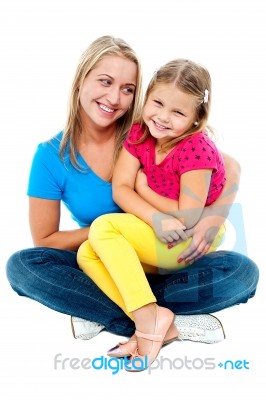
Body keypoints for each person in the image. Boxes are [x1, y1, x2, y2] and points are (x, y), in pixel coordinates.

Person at [5, 36, 259, 357]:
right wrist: (113, 233)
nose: (114, 97)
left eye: (128, 89)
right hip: (108, 263)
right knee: (24, 266)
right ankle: (163, 321)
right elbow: (45, 240)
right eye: (105, 82)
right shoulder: (50, 156)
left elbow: (230, 166)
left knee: (241, 271)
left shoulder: (147, 130)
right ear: (81, 79)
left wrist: (214, 215)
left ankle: (115, 312)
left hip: (167, 256)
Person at [76, 59, 227, 370]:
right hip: (157, 226)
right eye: (157, 103)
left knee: (102, 228)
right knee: (87, 253)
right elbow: (120, 188)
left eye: (178, 112)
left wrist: (143, 189)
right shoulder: (139, 135)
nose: (162, 117)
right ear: (146, 99)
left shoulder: (196, 149)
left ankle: (147, 324)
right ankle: (154, 318)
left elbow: (188, 215)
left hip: (189, 237)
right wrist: (154, 215)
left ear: (197, 118)